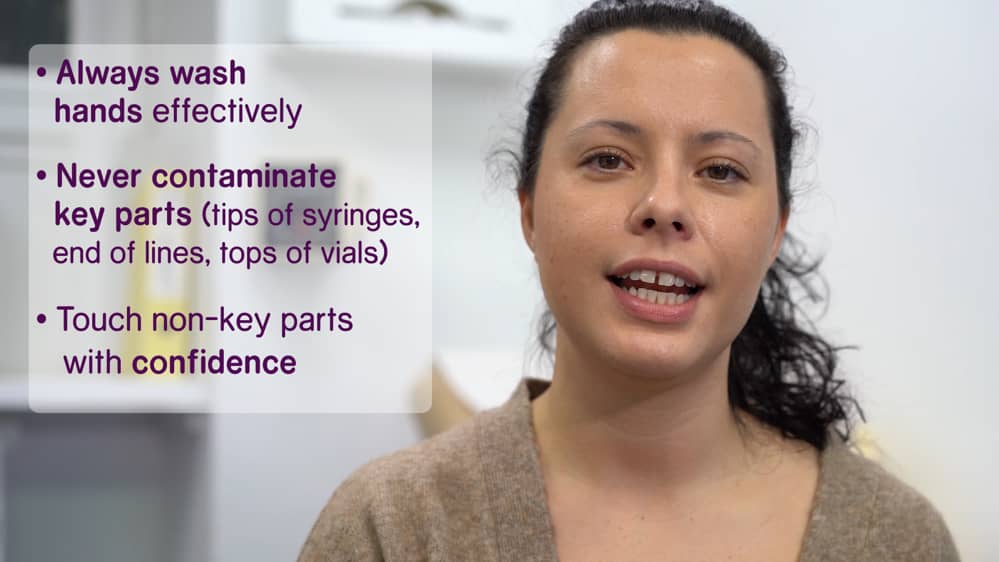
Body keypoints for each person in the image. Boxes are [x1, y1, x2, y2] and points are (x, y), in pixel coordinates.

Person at [298, 1, 960, 560]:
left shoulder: (893, 539)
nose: (664, 205)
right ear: (529, 210)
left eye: (720, 170)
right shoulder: (394, 526)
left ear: (775, 233)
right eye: (608, 159)